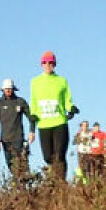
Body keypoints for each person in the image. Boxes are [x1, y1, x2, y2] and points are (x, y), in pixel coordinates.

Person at [28, 51, 78, 181]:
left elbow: (67, 99)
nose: (48, 65)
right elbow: (33, 101)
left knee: (60, 155)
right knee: (48, 157)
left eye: (50, 62)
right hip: (44, 124)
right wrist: (32, 115)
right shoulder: (35, 82)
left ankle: (60, 183)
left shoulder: (61, 81)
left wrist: (71, 107)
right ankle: (54, 178)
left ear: (54, 64)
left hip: (60, 123)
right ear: (41, 64)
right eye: (45, 62)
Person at [0, 78, 35, 184]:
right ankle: (17, 184)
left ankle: (23, 185)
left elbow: (31, 117)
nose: (8, 91)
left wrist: (32, 131)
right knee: (10, 164)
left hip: (18, 138)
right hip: (5, 140)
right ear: (3, 90)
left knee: (21, 164)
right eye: (6, 89)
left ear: (13, 89)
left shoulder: (20, 102)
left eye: (10, 89)